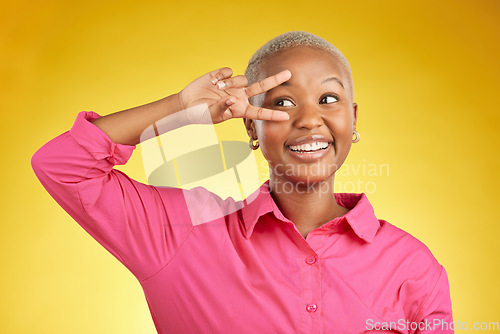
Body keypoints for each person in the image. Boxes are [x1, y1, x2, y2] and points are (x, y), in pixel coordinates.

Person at [31, 31, 454, 333]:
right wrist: (180, 107)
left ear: (353, 119)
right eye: (282, 103)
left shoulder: (412, 267)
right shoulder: (181, 235)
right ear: (252, 128)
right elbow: (63, 165)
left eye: (328, 99)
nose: (309, 120)